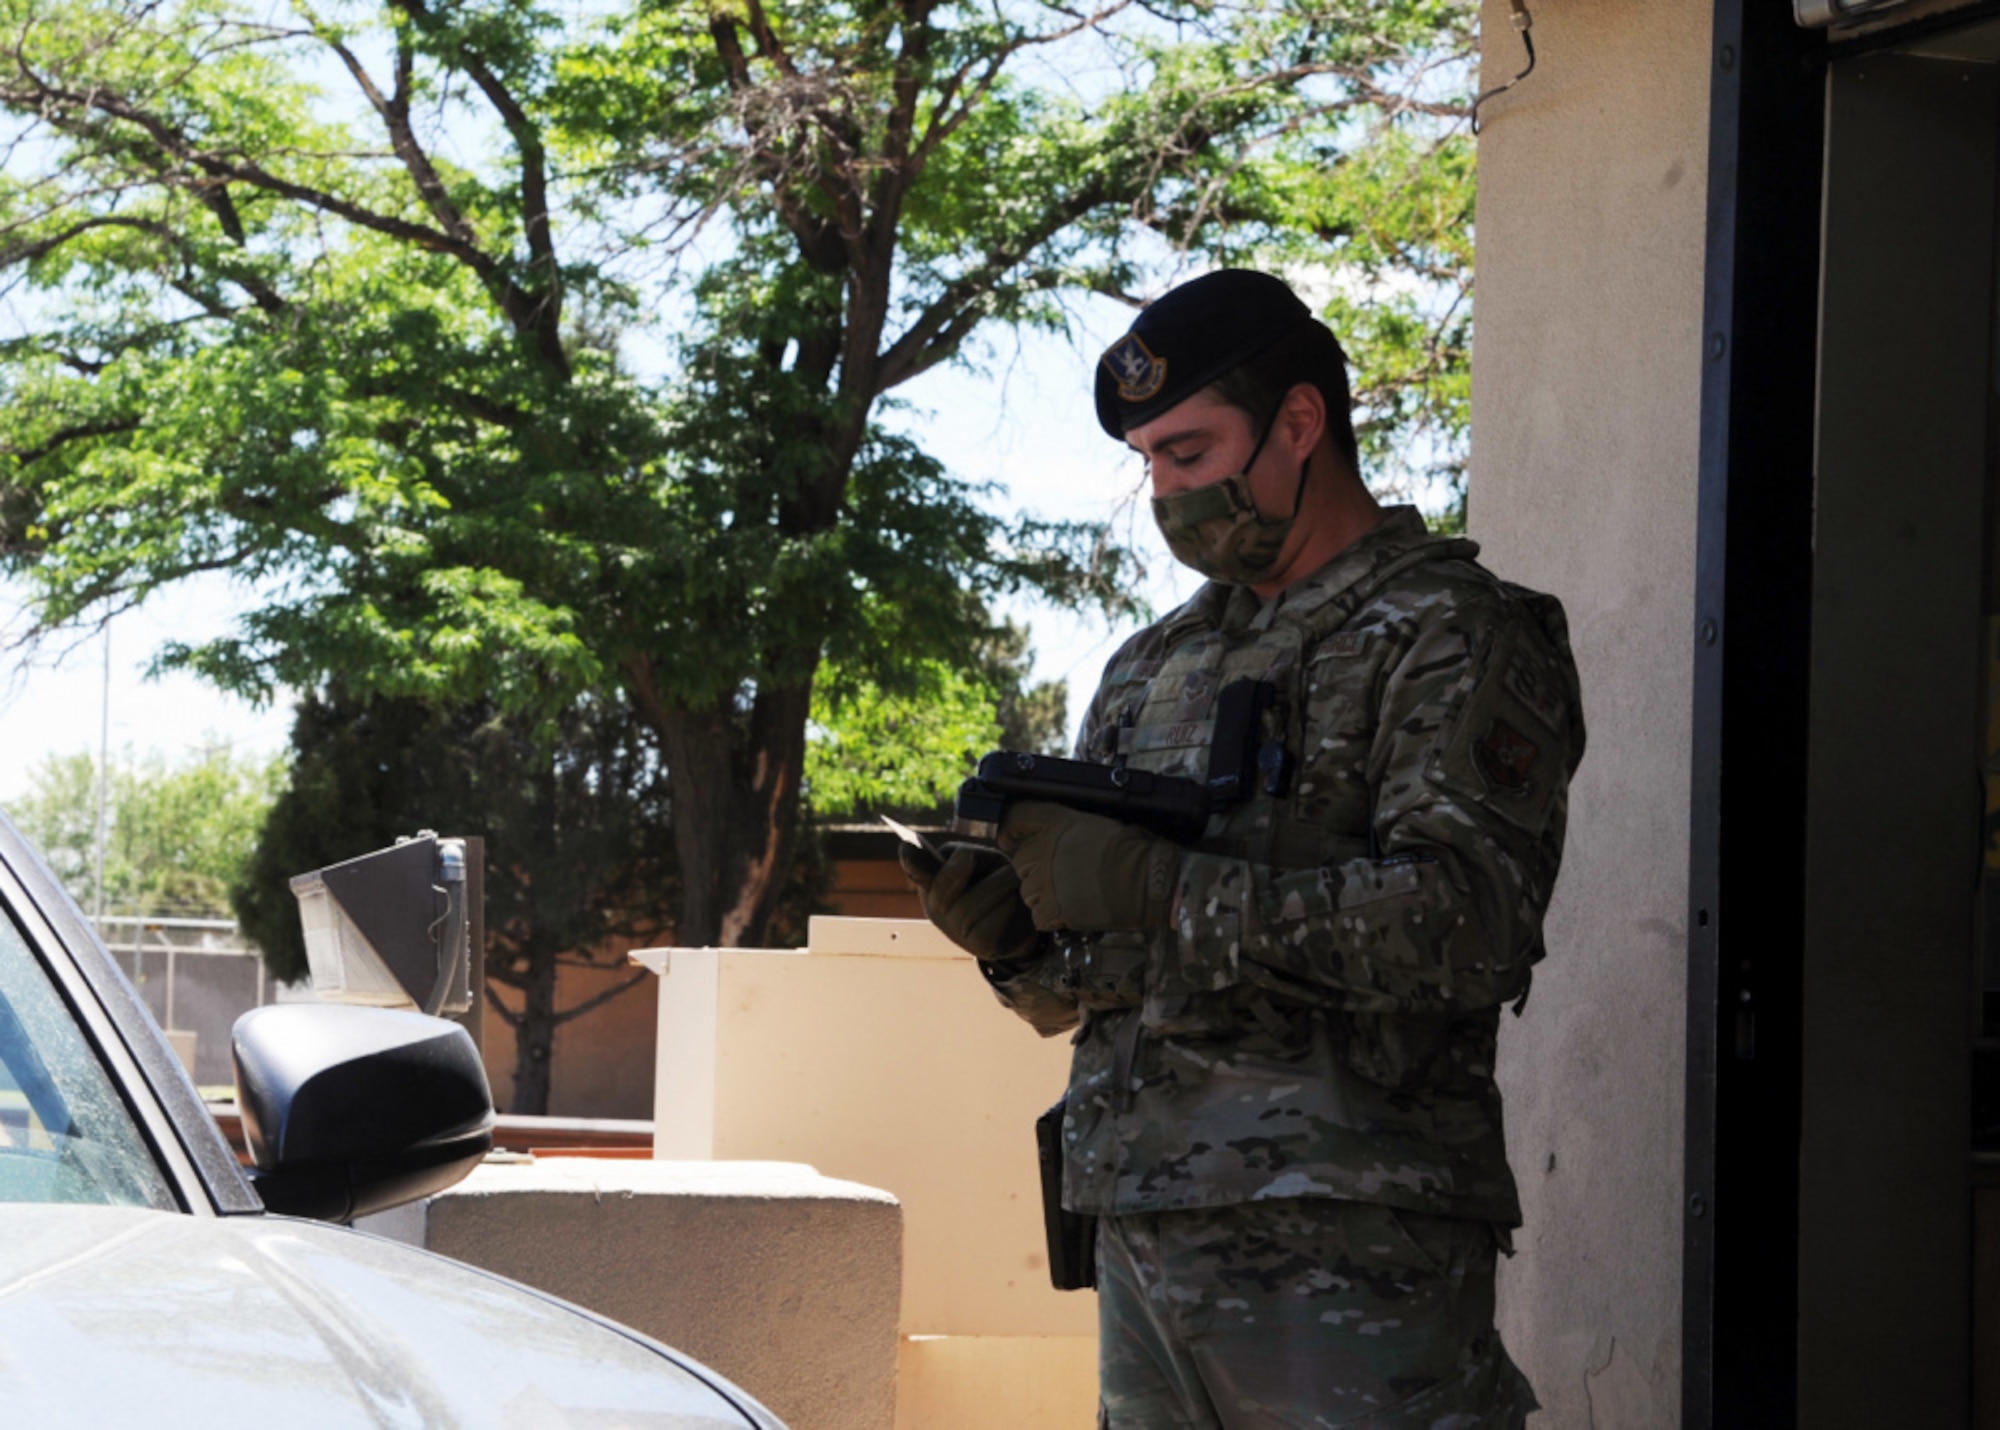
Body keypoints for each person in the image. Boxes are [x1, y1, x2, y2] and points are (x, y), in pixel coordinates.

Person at [902, 269, 1585, 1428]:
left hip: (1345, 1232)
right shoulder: (1150, 664)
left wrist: (1162, 887)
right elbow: (1107, 976)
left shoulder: (1450, 631)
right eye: (1151, 465)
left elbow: (1469, 922)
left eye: (1188, 451)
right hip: (1139, 1219)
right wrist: (1017, 943)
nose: (1166, 492)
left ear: (1300, 423)